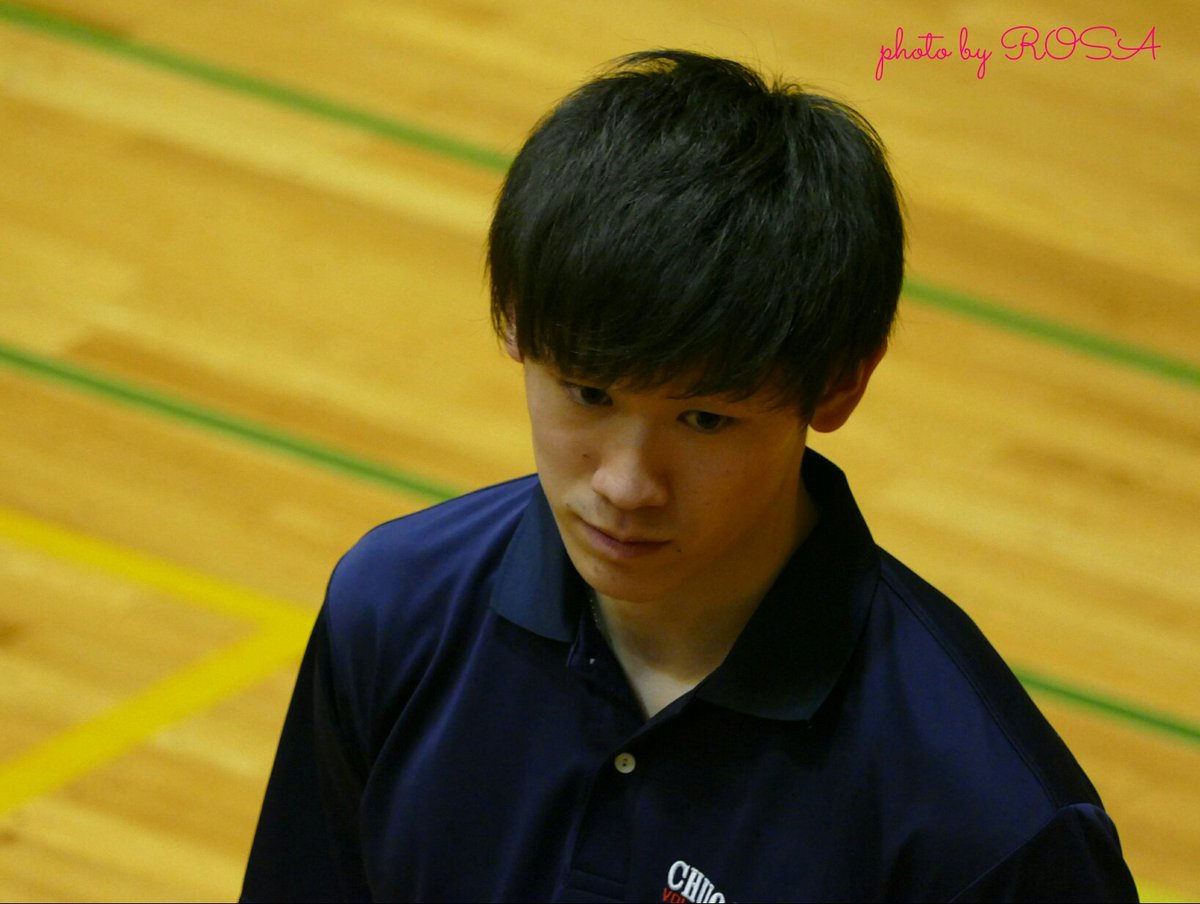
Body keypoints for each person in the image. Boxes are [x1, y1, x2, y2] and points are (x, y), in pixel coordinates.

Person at [241, 50, 1137, 902]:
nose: (627, 485)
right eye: (589, 393)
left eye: (705, 419)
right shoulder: (393, 611)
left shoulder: (989, 826)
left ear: (839, 385)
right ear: (512, 321)